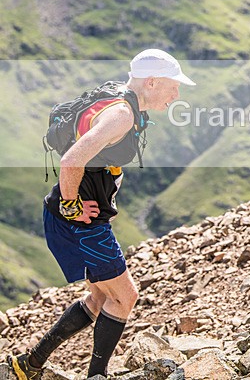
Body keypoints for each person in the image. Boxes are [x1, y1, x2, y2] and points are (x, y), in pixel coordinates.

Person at [8, 49, 195, 380]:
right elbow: (71, 161)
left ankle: (29, 365)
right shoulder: (121, 115)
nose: (177, 94)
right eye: (173, 86)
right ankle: (97, 375)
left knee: (99, 296)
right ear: (152, 82)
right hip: (83, 223)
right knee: (124, 297)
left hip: (81, 217)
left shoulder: (118, 96)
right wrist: (73, 207)